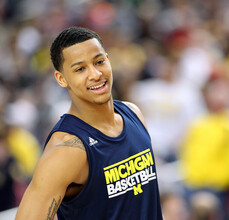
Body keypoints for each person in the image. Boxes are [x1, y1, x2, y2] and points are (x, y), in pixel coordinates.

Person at [15, 26, 163, 220]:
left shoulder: (133, 113)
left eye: (99, 62)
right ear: (61, 79)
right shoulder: (66, 149)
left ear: (109, 60)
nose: (95, 74)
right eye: (80, 69)